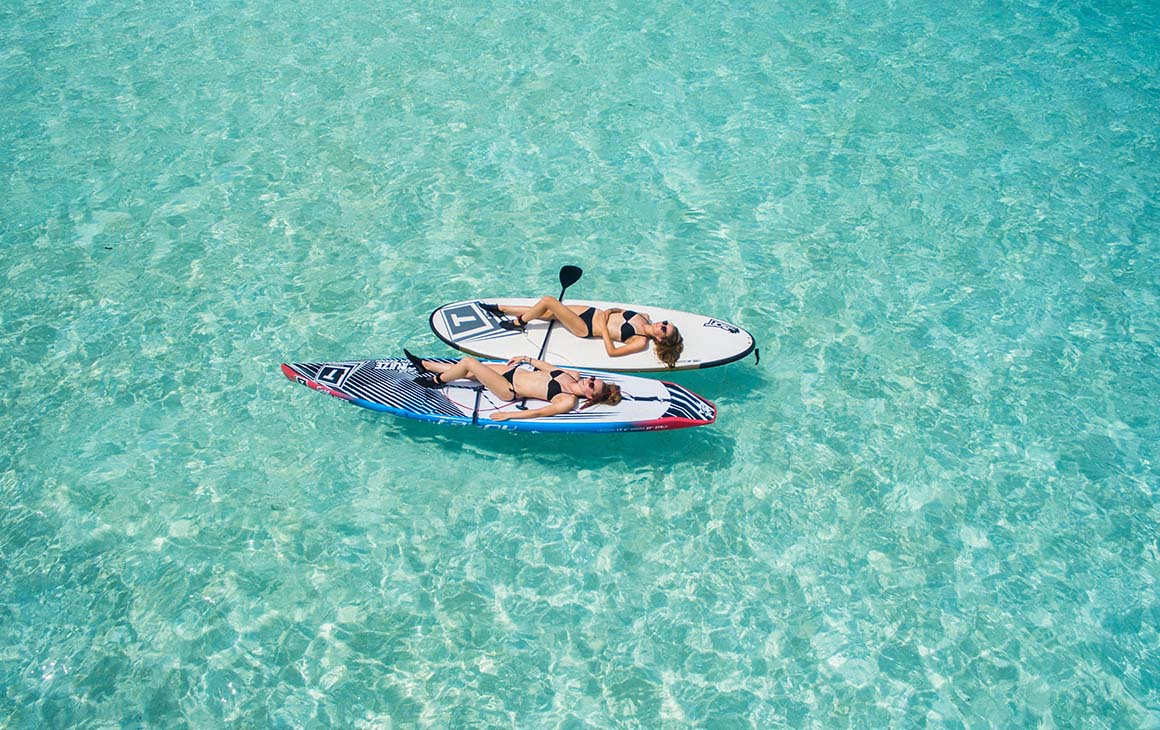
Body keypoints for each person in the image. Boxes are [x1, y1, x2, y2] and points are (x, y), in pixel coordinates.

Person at [404, 350, 622, 422]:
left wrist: (510, 415)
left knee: (470, 363)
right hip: (512, 371)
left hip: (508, 389)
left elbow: (539, 412)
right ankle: (424, 364)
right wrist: (526, 359)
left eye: (592, 385)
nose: (590, 380)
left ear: (590, 397)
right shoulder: (571, 375)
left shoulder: (566, 400)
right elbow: (547, 367)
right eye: (593, 379)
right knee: (469, 371)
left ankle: (433, 381)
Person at [478, 296, 684, 368]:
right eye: (665, 323)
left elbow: (611, 352)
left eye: (664, 329)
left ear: (659, 337)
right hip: (591, 311)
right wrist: (608, 312)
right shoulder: (645, 316)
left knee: (549, 301)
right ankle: (502, 308)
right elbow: (618, 311)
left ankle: (518, 322)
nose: (662, 324)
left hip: (585, 327)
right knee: (548, 312)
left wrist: (603, 326)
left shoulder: (640, 341)